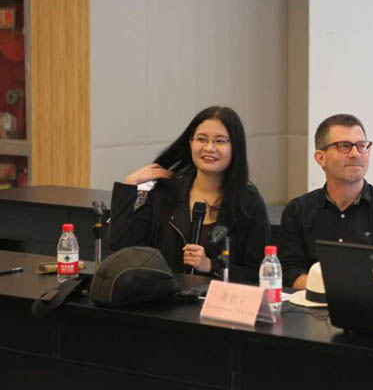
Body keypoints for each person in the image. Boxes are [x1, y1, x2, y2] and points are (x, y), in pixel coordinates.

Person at [109, 106, 269, 284]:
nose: (209, 148)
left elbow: (257, 272)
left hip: (217, 299)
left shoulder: (249, 203)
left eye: (220, 141)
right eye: (201, 139)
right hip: (164, 295)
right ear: (191, 143)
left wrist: (211, 266)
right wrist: (129, 185)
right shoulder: (166, 191)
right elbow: (122, 246)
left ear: (235, 147)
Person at [279, 114, 373, 289]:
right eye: (344, 146)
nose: (355, 154)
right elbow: (288, 271)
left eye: (362, 146)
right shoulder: (297, 210)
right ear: (321, 158)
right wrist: (332, 290)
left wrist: (345, 290)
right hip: (312, 302)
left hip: (371, 303)